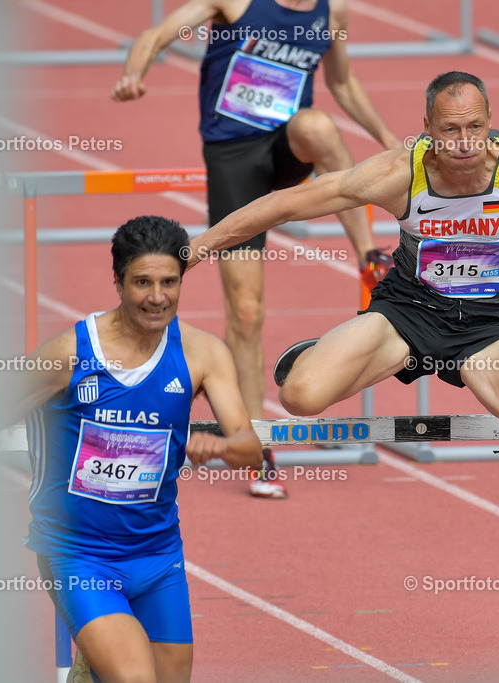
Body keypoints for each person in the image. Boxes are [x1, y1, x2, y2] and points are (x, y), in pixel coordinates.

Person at [188, 71, 499, 618]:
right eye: (449, 130)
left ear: (491, 124)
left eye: (475, 127)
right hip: (407, 315)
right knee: (301, 398)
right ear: (424, 129)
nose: (464, 142)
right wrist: (199, 247)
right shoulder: (396, 173)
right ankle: (322, 353)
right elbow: (288, 203)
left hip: (490, 327)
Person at [112, 0, 401, 498]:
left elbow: (343, 84)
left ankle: (370, 254)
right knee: (246, 312)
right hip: (234, 157)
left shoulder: (333, 14)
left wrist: (392, 140)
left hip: (286, 146)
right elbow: (159, 34)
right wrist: (134, 75)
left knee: (317, 125)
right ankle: (254, 442)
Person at [7, 216, 263, 681]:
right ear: (118, 282)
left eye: (169, 282)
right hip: (79, 554)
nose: (157, 296)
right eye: (142, 282)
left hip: (159, 556)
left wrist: (223, 446)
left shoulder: (203, 354)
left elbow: (251, 449)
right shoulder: (70, 353)